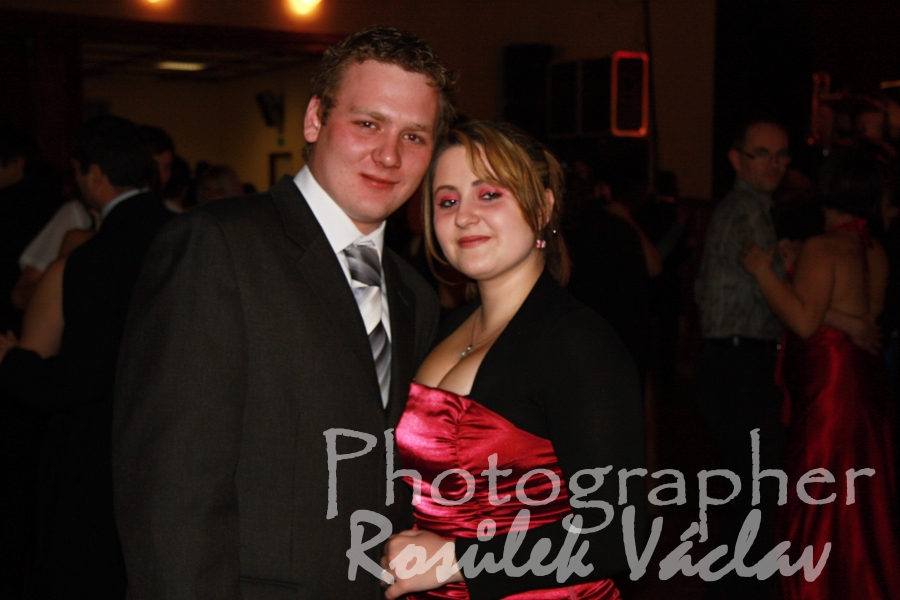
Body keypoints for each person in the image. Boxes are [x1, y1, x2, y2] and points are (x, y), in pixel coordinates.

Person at [113, 27, 455, 598]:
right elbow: (172, 487)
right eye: (368, 124)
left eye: (414, 136)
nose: (389, 155)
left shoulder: (412, 293)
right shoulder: (217, 246)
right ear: (315, 119)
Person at [381, 121, 645, 599]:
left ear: (542, 207)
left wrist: (457, 560)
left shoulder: (577, 341)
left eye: (489, 195)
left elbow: (619, 534)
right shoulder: (444, 326)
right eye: (447, 201)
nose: (465, 216)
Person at [0, 115, 171, 598]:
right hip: (173, 451)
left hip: (97, 460)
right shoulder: (187, 235)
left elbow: (72, 379)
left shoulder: (90, 258)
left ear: (94, 175)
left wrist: (11, 362)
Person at [742, 152, 900, 599]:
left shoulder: (823, 246)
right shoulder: (872, 249)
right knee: (860, 499)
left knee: (819, 492)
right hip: (865, 384)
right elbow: (858, 318)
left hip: (831, 389)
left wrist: (764, 273)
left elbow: (804, 321)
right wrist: (797, 272)